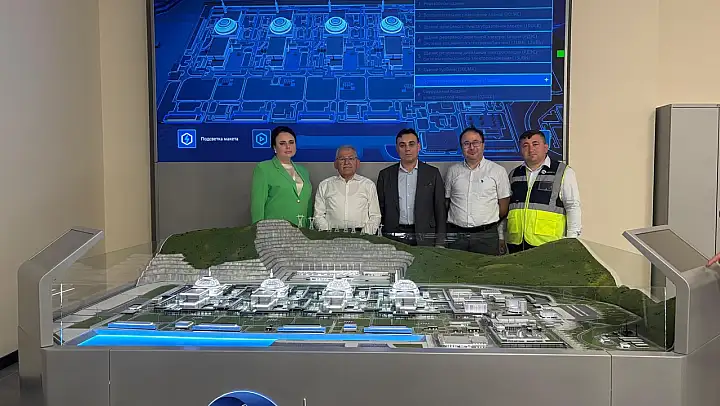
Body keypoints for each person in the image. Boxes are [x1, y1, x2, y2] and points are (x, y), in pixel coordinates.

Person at [505, 129, 581, 253]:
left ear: (546, 147)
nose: (531, 149)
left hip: (549, 245)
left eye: (535, 144)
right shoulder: (514, 174)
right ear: (520, 149)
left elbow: (573, 206)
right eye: (525, 145)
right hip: (516, 244)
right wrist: (502, 236)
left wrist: (572, 240)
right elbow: (507, 208)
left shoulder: (563, 172)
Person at [445, 127, 511, 255]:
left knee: (486, 268)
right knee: (455, 267)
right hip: (457, 236)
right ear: (461, 147)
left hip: (486, 236)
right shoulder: (453, 171)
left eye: (476, 142)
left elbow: (503, 207)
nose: (471, 147)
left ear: (483, 145)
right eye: (466, 143)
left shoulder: (497, 171)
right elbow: (447, 202)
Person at [376, 128, 446, 246]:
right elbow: (380, 210)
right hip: (393, 236)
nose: (407, 149)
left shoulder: (432, 173)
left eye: (411, 144)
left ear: (418, 147)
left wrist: (440, 242)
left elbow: (440, 210)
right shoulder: (385, 175)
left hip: (424, 235)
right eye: (402, 145)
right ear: (397, 148)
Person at [250, 126, 312, 227]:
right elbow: (258, 206)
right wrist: (258, 230)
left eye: (291, 142)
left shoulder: (303, 171)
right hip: (274, 230)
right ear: (274, 147)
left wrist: (309, 229)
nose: (288, 146)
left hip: (301, 230)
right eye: (282, 143)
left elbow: (308, 205)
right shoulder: (264, 168)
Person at [313, 145, 381, 234]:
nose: (346, 162)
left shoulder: (368, 185)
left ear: (357, 163)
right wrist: (329, 234)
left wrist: (364, 236)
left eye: (351, 158)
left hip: (361, 234)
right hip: (332, 235)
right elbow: (318, 216)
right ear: (335, 164)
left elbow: (375, 216)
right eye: (342, 159)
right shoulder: (325, 185)